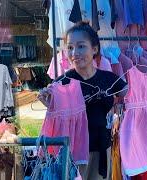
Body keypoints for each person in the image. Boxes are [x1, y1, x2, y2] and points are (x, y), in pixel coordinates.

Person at [38, 22, 127, 180]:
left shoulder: (108, 79)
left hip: (101, 149)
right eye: (70, 47)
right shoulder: (63, 82)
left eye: (81, 46)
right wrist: (50, 104)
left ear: (94, 49)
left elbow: (127, 91)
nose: (74, 53)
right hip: (73, 153)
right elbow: (56, 117)